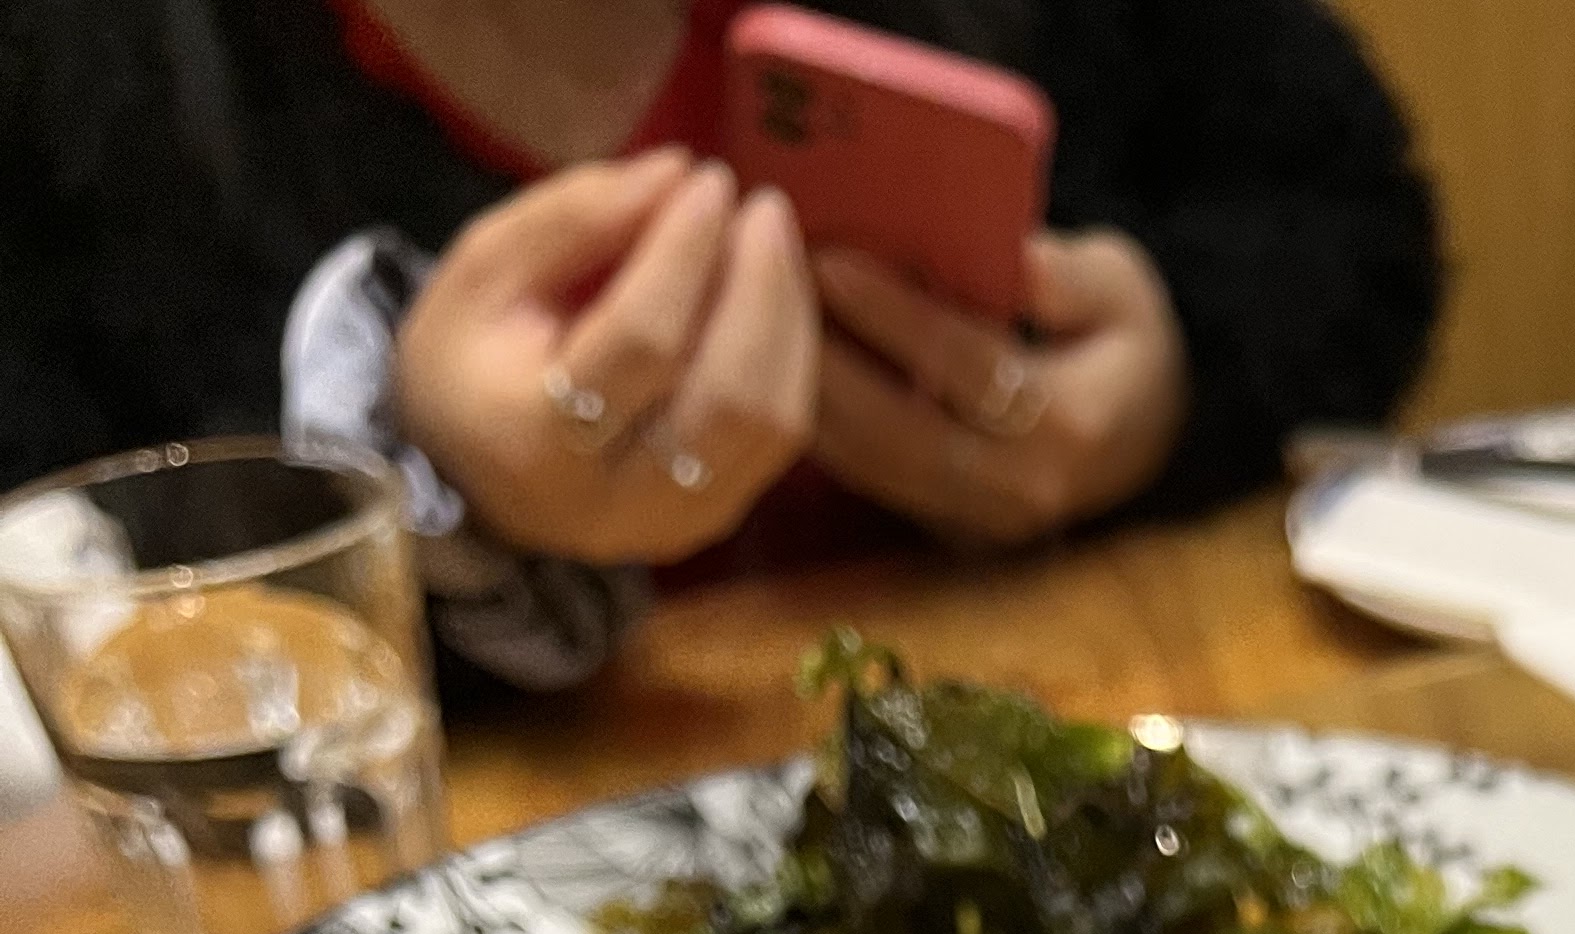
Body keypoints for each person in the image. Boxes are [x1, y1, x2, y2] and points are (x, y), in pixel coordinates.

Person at [0, 2, 1441, 682]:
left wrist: (1170, 376)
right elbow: (75, 651)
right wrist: (436, 514)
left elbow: (1355, 222)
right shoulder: (67, 90)